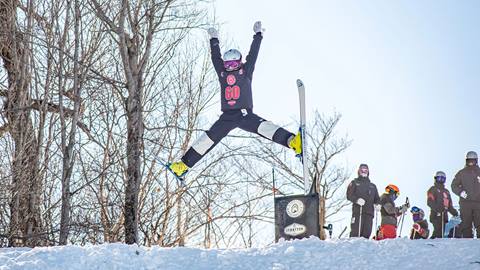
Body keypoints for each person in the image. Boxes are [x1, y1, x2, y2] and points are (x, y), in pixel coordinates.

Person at [167, 21, 301, 178]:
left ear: (239, 62)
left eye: (233, 63)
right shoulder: (222, 73)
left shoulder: (246, 70)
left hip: (244, 114)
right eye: (227, 63)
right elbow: (215, 58)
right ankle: (182, 166)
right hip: (227, 116)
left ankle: (292, 142)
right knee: (208, 139)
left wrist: (258, 35)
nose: (230, 66)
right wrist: (214, 39)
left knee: (264, 127)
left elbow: (253, 54)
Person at [451, 151, 480, 238]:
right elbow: (454, 185)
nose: (471, 162)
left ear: (476, 161)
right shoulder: (461, 173)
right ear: (466, 161)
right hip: (465, 203)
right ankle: (467, 244)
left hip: (478, 203)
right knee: (466, 225)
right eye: (469, 160)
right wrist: (460, 192)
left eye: (473, 160)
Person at [346, 164, 380, 238]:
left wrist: (378, 204)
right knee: (356, 232)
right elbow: (349, 195)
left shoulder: (373, 186)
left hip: (369, 213)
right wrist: (357, 200)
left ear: (368, 172)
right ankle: (353, 246)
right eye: (362, 170)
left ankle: (365, 248)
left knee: (367, 233)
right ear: (359, 171)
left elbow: (377, 198)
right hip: (358, 212)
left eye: (366, 170)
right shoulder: (354, 182)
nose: (364, 171)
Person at [427, 171, 459, 238]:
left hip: (444, 215)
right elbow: (430, 201)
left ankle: (437, 244)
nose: (441, 180)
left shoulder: (446, 192)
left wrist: (454, 212)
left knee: (441, 232)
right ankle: (432, 243)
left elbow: (449, 205)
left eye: (443, 179)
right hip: (436, 214)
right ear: (436, 178)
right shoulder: (433, 189)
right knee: (438, 230)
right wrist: (437, 209)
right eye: (439, 178)